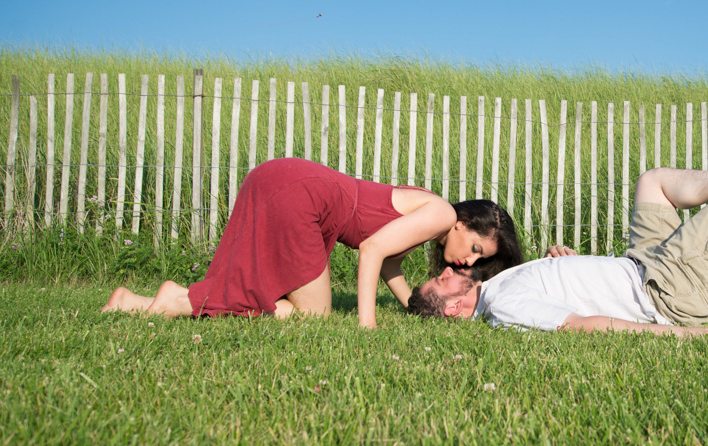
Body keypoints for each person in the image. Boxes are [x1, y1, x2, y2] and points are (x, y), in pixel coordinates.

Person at [407, 141, 708, 335]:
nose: (448, 270)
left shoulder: (494, 287)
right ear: (450, 310)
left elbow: (575, 296)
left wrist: (564, 266)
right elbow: (584, 326)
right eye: (441, 281)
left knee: (652, 182)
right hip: (660, 291)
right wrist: (678, 336)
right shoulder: (501, 307)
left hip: (639, 262)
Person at [103, 158, 522, 328]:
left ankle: (142, 302)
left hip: (282, 177)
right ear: (463, 223)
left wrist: (410, 308)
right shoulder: (442, 214)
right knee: (317, 315)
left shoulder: (430, 214)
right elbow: (372, 251)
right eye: (475, 249)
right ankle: (177, 299)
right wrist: (366, 324)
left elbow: (390, 266)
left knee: (268, 287)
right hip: (304, 198)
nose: (468, 263)